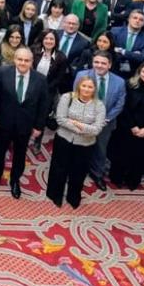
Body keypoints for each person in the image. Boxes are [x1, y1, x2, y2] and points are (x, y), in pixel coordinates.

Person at [0, 46, 50, 198]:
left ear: (31, 61)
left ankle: (15, 180)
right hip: (4, 122)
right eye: (20, 59)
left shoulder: (40, 79)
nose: (23, 63)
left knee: (20, 154)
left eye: (26, 60)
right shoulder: (3, 73)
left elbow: (44, 105)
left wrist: (38, 126)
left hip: (25, 125)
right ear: (15, 59)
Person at [45, 75, 106, 209]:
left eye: (90, 87)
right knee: (59, 168)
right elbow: (60, 119)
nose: (86, 89)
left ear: (94, 89)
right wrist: (82, 128)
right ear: (78, 85)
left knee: (79, 172)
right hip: (64, 140)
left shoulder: (99, 105)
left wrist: (77, 124)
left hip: (85, 145)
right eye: (84, 85)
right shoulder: (67, 98)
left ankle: (73, 197)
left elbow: (96, 129)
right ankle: (55, 194)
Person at [108, 62, 144, 190]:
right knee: (121, 153)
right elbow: (124, 106)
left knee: (139, 157)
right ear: (139, 72)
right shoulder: (129, 85)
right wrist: (132, 126)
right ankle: (117, 178)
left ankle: (132, 181)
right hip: (126, 127)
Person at [75, 51, 126, 191]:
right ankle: (76, 172)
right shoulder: (82, 75)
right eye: (96, 62)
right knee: (80, 147)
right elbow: (75, 97)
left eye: (103, 63)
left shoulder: (119, 82)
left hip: (106, 123)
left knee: (100, 149)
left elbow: (120, 104)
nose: (99, 65)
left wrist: (106, 118)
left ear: (109, 65)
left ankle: (97, 174)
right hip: (84, 121)